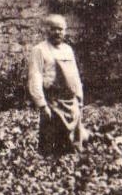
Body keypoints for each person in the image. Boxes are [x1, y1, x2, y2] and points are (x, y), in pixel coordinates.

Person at [27, 13, 84, 156]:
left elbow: (74, 74)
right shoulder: (39, 50)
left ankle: (70, 169)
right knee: (52, 143)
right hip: (52, 102)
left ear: (65, 31)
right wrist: (42, 104)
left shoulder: (68, 50)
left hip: (70, 102)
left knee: (73, 144)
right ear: (47, 30)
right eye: (53, 29)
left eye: (60, 29)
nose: (57, 32)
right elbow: (35, 76)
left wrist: (79, 97)